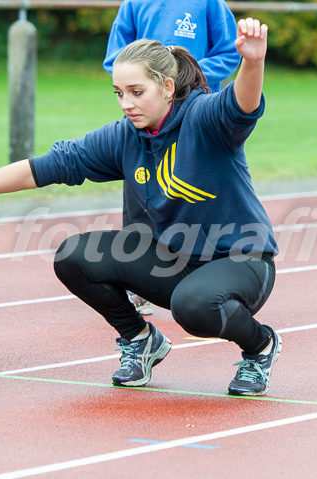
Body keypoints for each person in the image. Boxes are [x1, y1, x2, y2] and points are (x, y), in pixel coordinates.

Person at [0, 18, 281, 395]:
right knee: (75, 256)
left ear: (167, 87)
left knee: (194, 306)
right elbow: (43, 168)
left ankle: (260, 346)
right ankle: (139, 339)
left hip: (240, 259)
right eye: (118, 93)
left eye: (136, 92)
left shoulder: (204, 119)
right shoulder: (125, 136)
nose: (126, 104)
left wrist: (252, 62)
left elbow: (241, 104)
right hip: (176, 261)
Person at [103, 0, 241, 316]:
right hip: (148, 120)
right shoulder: (134, 5)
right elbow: (115, 57)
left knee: (201, 198)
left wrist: (182, 75)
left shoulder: (209, 4)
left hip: (196, 116)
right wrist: (143, 81)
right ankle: (139, 284)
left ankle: (218, 278)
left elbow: (230, 53)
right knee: (141, 199)